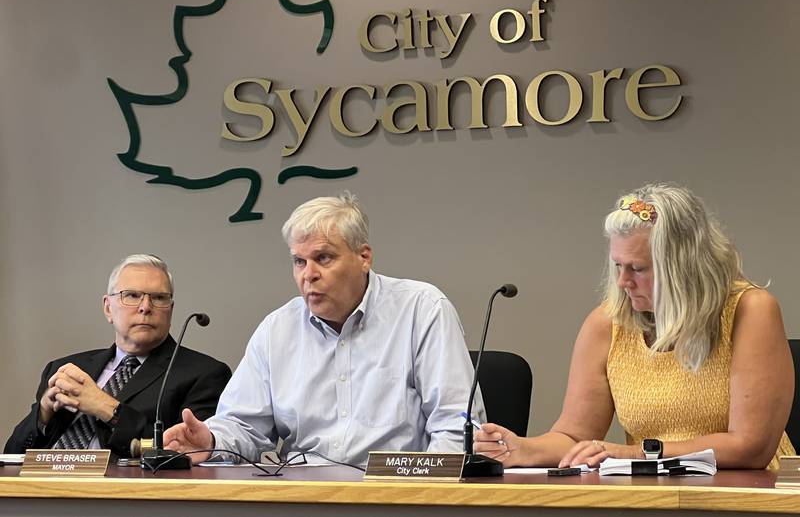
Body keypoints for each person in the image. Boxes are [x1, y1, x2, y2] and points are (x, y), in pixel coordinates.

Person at [475, 183, 795, 470]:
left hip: (754, 495)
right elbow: (574, 435)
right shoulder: (606, 324)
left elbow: (751, 447)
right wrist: (522, 448)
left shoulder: (750, 311)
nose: (623, 281)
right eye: (617, 266)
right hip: (655, 498)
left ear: (684, 266)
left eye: (638, 268)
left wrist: (641, 454)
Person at [164, 192, 483, 465]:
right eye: (299, 262)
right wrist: (211, 439)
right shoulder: (278, 329)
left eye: (324, 258)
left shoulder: (422, 309)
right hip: (304, 498)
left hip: (394, 495)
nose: (308, 274)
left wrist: (423, 496)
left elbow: (457, 428)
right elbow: (244, 426)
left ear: (364, 257)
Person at [5, 254, 232, 457]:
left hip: (123, 497)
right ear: (107, 307)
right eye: (132, 295)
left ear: (170, 310)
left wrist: (106, 408)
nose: (145, 307)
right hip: (40, 492)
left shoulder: (204, 374)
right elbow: (12, 454)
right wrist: (43, 412)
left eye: (159, 298)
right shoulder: (65, 367)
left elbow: (185, 452)